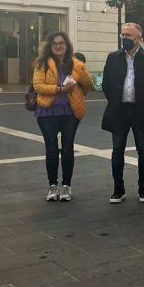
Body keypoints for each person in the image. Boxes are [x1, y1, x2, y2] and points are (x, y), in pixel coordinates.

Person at [101, 23, 144, 204]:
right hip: (119, 110)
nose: (125, 38)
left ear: (139, 38)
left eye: (129, 35)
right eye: (123, 34)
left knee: (143, 150)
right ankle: (118, 189)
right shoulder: (113, 57)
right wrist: (114, 101)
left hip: (141, 111)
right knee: (117, 150)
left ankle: (143, 188)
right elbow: (106, 84)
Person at [32, 31, 93, 202]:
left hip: (70, 111)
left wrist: (78, 88)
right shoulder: (41, 64)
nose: (58, 46)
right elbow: (38, 86)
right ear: (50, 47)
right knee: (51, 149)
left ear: (67, 46)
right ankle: (52, 186)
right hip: (47, 111)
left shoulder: (77, 64)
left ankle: (66, 186)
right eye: (55, 43)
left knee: (67, 148)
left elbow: (88, 85)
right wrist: (59, 90)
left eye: (62, 43)